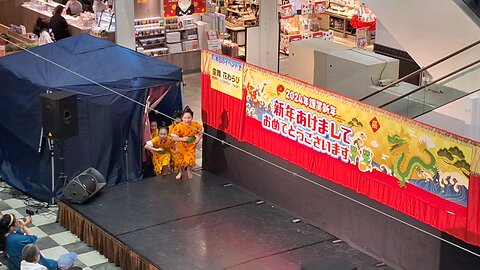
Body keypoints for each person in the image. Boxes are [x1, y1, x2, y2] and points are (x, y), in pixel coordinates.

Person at [170, 106, 203, 179]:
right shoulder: (178, 126)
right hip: (181, 145)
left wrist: (197, 140)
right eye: (185, 118)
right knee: (180, 161)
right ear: (182, 118)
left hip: (191, 145)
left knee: (190, 159)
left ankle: (189, 170)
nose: (187, 120)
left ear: (192, 117)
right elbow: (173, 138)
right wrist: (182, 139)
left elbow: (201, 132)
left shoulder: (195, 124)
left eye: (189, 118)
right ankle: (180, 172)